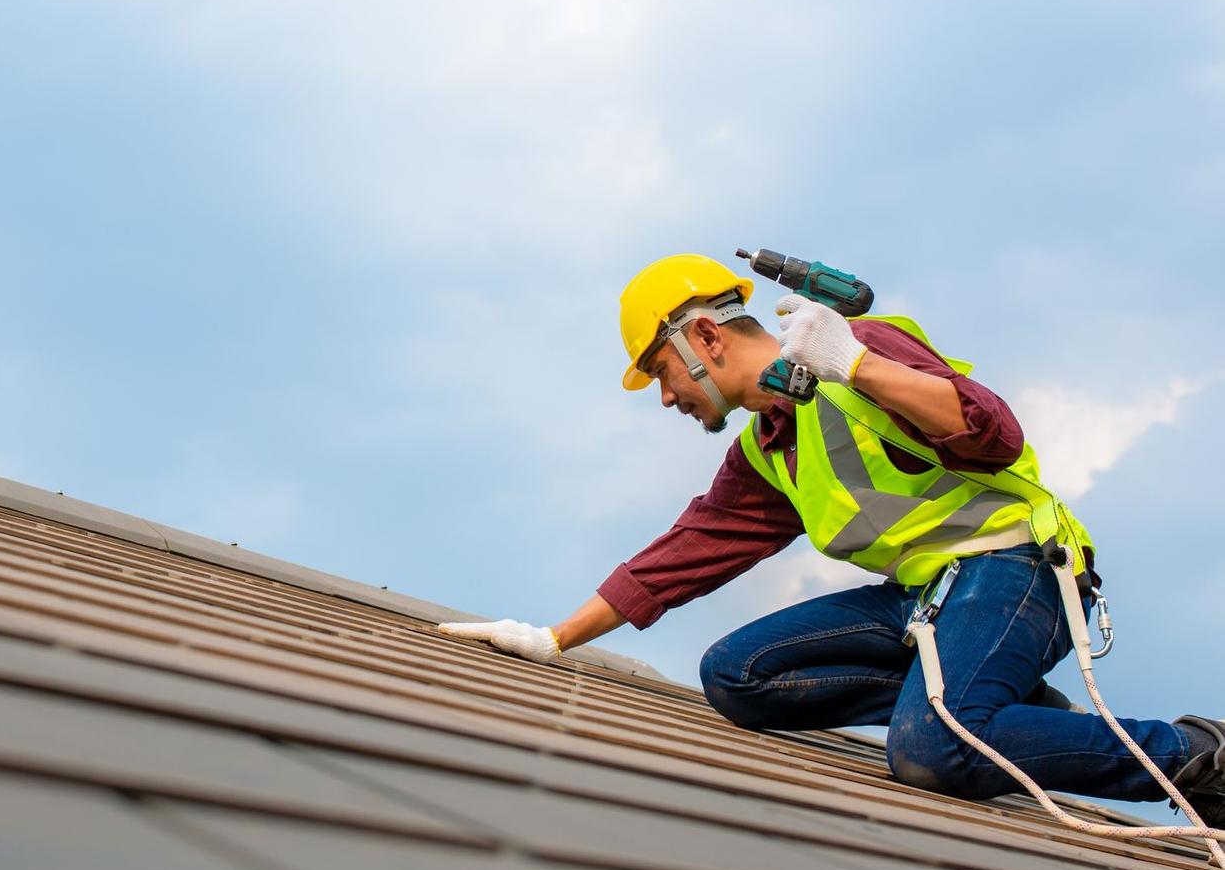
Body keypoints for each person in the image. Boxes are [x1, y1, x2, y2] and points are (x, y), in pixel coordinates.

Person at [440, 253, 1225, 825]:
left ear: (704, 339)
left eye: (660, 373)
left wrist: (852, 361)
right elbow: (682, 555)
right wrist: (553, 637)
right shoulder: (764, 448)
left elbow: (991, 431)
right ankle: (989, 703)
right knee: (737, 674)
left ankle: (1192, 755)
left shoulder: (860, 351)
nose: (666, 397)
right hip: (929, 601)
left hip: (1015, 568)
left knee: (930, 750)